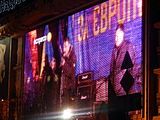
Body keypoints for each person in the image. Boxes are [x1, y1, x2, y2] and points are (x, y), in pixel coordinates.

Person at [109, 23, 139, 96]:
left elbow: (129, 71)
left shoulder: (128, 46)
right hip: (117, 92)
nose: (116, 39)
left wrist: (123, 89)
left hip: (126, 92)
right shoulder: (114, 50)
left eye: (119, 36)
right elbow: (112, 71)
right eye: (116, 36)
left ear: (123, 36)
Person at [60, 37, 76, 107]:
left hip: (69, 89)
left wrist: (64, 64)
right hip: (63, 88)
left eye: (66, 46)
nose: (64, 49)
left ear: (69, 46)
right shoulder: (63, 57)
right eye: (64, 46)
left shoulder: (73, 56)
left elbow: (70, 72)